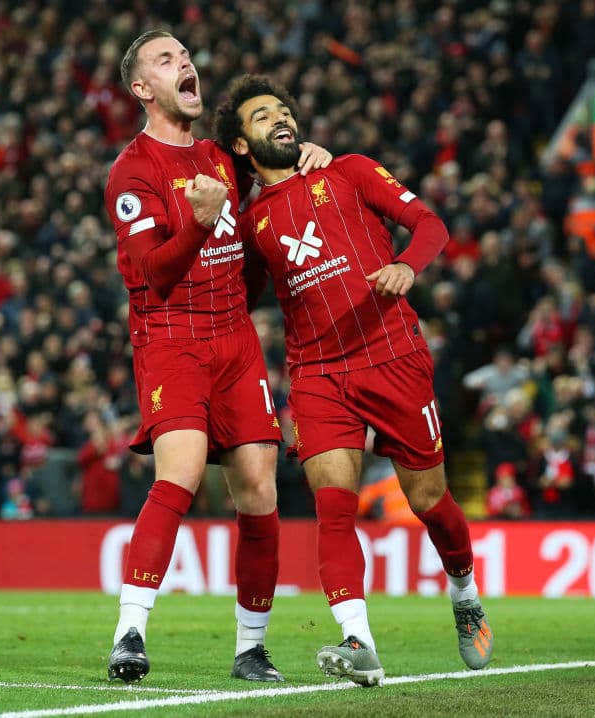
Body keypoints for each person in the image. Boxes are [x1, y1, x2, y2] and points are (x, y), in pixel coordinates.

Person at [214, 75, 494, 686]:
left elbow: (430, 225)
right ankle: (358, 641)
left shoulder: (349, 171)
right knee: (333, 507)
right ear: (241, 145)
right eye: (263, 116)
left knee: (429, 501)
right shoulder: (251, 223)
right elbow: (241, 297)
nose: (281, 118)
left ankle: (465, 593)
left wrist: (406, 266)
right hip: (317, 374)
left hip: (392, 356)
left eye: (284, 110)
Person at [103, 32, 332, 684]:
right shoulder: (133, 172)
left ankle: (251, 648)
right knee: (179, 473)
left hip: (234, 337)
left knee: (259, 487)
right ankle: (129, 634)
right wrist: (201, 220)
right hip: (170, 336)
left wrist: (308, 155)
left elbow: (277, 174)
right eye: (166, 60)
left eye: (185, 55)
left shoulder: (220, 157)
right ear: (142, 88)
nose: (186, 64)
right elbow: (154, 274)